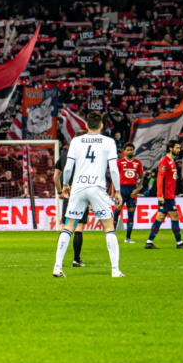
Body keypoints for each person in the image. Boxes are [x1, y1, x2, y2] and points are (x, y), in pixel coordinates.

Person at [55, 112, 125, 279]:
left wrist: (65, 185)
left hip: (78, 188)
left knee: (68, 226)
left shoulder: (76, 141)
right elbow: (114, 169)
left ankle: (57, 267)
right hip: (97, 187)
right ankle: (115, 270)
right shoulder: (109, 142)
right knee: (109, 228)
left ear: (86, 125)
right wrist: (117, 191)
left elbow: (68, 168)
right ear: (101, 125)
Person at [145, 140, 183, 250]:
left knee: (160, 217)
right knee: (175, 216)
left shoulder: (172, 162)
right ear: (170, 148)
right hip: (166, 196)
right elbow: (160, 178)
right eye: (177, 147)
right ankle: (179, 243)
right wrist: (159, 195)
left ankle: (149, 242)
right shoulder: (165, 161)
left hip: (169, 195)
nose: (179, 149)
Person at [54, 132, 85, 266]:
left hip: (68, 193)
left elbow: (55, 177)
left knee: (66, 227)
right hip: (83, 194)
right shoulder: (88, 154)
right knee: (78, 227)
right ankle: (76, 259)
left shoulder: (64, 154)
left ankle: (59, 260)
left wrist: (60, 192)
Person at [116, 143, 144, 244]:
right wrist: (113, 192)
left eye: (131, 150)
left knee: (131, 215)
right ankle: (112, 238)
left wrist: (138, 189)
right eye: (127, 150)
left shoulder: (138, 163)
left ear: (134, 151)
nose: (130, 151)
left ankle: (128, 238)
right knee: (116, 213)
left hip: (132, 191)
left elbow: (141, 177)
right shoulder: (119, 162)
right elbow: (114, 177)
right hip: (122, 190)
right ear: (124, 151)